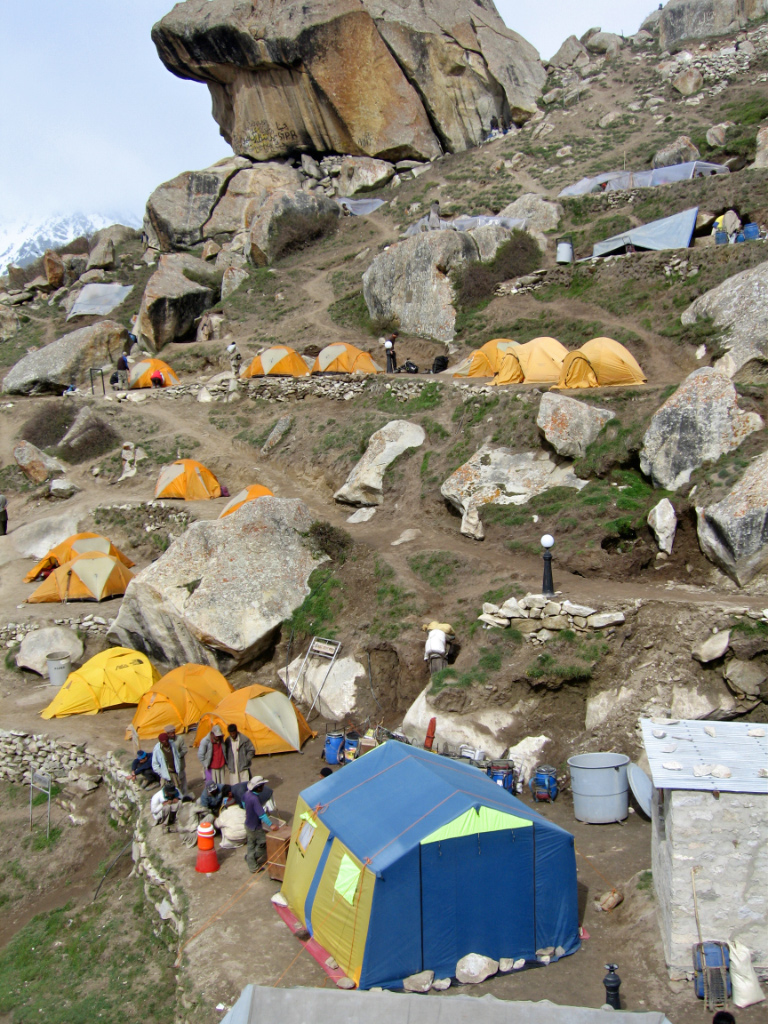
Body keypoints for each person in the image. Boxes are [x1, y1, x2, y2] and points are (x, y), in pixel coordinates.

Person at [243, 777, 279, 872]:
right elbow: (262, 814)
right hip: (255, 827)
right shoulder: (255, 799)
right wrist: (271, 825)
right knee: (262, 843)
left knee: (251, 843)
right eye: (262, 785)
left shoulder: (246, 794)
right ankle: (253, 863)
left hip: (247, 824)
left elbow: (243, 804)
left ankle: (249, 858)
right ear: (258, 788)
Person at [164, 724, 189, 798]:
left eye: (173, 733)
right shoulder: (165, 742)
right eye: (170, 733)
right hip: (172, 768)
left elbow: (185, 749)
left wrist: (178, 755)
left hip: (180, 765)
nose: (172, 735)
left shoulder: (179, 739)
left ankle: (185, 797)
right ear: (167, 734)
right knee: (175, 784)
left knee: (183, 782)